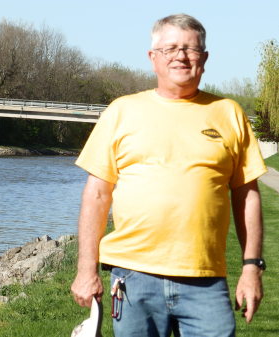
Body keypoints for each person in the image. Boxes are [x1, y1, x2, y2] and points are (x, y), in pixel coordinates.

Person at [71, 13, 267, 337]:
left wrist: (251, 268)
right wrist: (85, 269)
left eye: (191, 49)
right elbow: (96, 195)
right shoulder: (121, 111)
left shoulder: (229, 113)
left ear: (204, 58)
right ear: (153, 58)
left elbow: (247, 196)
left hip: (205, 279)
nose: (181, 56)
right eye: (171, 48)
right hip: (134, 279)